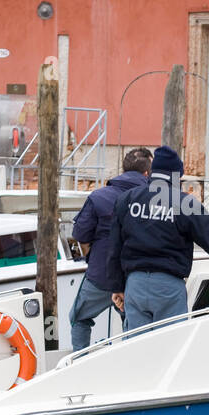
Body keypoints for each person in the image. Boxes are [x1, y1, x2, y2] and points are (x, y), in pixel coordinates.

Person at [106, 145, 209, 331]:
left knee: (137, 350)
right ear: (176, 175)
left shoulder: (127, 199)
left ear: (153, 172)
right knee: (171, 346)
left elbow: (113, 246)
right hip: (168, 288)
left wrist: (117, 286)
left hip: (135, 285)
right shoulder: (185, 203)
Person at [67, 146, 152, 350]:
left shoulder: (99, 197)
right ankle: (128, 369)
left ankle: (80, 366)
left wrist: (92, 254)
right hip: (138, 276)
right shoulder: (155, 200)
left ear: (123, 169)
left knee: (79, 318)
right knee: (133, 328)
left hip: (101, 274)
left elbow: (80, 235)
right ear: (148, 173)